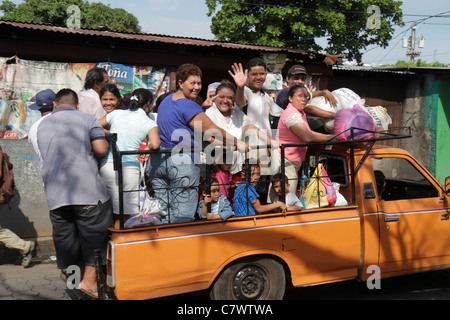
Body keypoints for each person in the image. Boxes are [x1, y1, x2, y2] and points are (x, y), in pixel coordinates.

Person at [146, 63, 248, 224]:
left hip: (158, 163)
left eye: (199, 83)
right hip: (181, 164)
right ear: (180, 83)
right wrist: (239, 143)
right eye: (192, 83)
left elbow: (184, 124)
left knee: (164, 211)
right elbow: (213, 130)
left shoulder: (166, 100)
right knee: (183, 215)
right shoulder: (189, 105)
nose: (197, 87)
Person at [36, 88, 112, 298]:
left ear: (54, 105)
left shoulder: (42, 124)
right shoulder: (88, 119)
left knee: (68, 242)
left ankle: (74, 283)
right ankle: (90, 284)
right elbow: (100, 149)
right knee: (94, 239)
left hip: (56, 197)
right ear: (77, 105)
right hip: (87, 194)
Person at [99, 84, 160, 229]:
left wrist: (109, 134)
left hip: (106, 165)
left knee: (108, 211)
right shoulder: (149, 122)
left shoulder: (116, 114)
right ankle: (118, 244)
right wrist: (147, 147)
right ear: (148, 104)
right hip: (129, 170)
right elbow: (156, 144)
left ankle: (104, 246)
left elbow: (94, 126)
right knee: (123, 214)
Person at [205, 80, 277, 175]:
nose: (225, 101)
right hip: (217, 167)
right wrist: (231, 146)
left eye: (230, 98)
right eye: (221, 97)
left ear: (234, 99)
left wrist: (269, 140)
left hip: (237, 167)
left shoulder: (237, 113)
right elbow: (210, 137)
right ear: (215, 97)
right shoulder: (210, 112)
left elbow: (249, 128)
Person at [275, 84, 334, 195]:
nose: (303, 99)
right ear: (290, 98)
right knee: (287, 194)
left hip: (294, 160)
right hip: (286, 160)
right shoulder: (292, 115)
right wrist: (331, 138)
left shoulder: (300, 112)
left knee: (286, 193)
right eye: (300, 96)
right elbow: (307, 136)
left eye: (306, 96)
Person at [273, 64, 337, 130]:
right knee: (317, 124)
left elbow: (311, 94)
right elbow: (308, 109)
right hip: (281, 129)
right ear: (288, 79)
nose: (300, 81)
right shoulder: (287, 91)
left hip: (290, 126)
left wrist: (324, 92)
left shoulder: (298, 92)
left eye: (302, 79)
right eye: (296, 78)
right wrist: (336, 115)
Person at [28, 89, 55, 169]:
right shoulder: (62, 121)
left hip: (47, 176)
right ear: (55, 104)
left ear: (38, 108)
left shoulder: (33, 128)